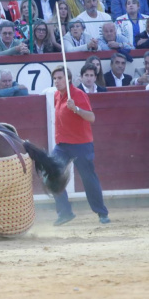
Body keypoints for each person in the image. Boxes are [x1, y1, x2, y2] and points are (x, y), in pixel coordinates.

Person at [51, 65, 110, 226]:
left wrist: (75, 108)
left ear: (68, 79)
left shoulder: (78, 94)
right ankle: (65, 212)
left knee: (88, 179)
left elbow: (91, 117)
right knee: (51, 174)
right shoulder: (57, 95)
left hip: (81, 144)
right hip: (62, 145)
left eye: (60, 78)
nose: (57, 81)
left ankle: (101, 213)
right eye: (55, 78)